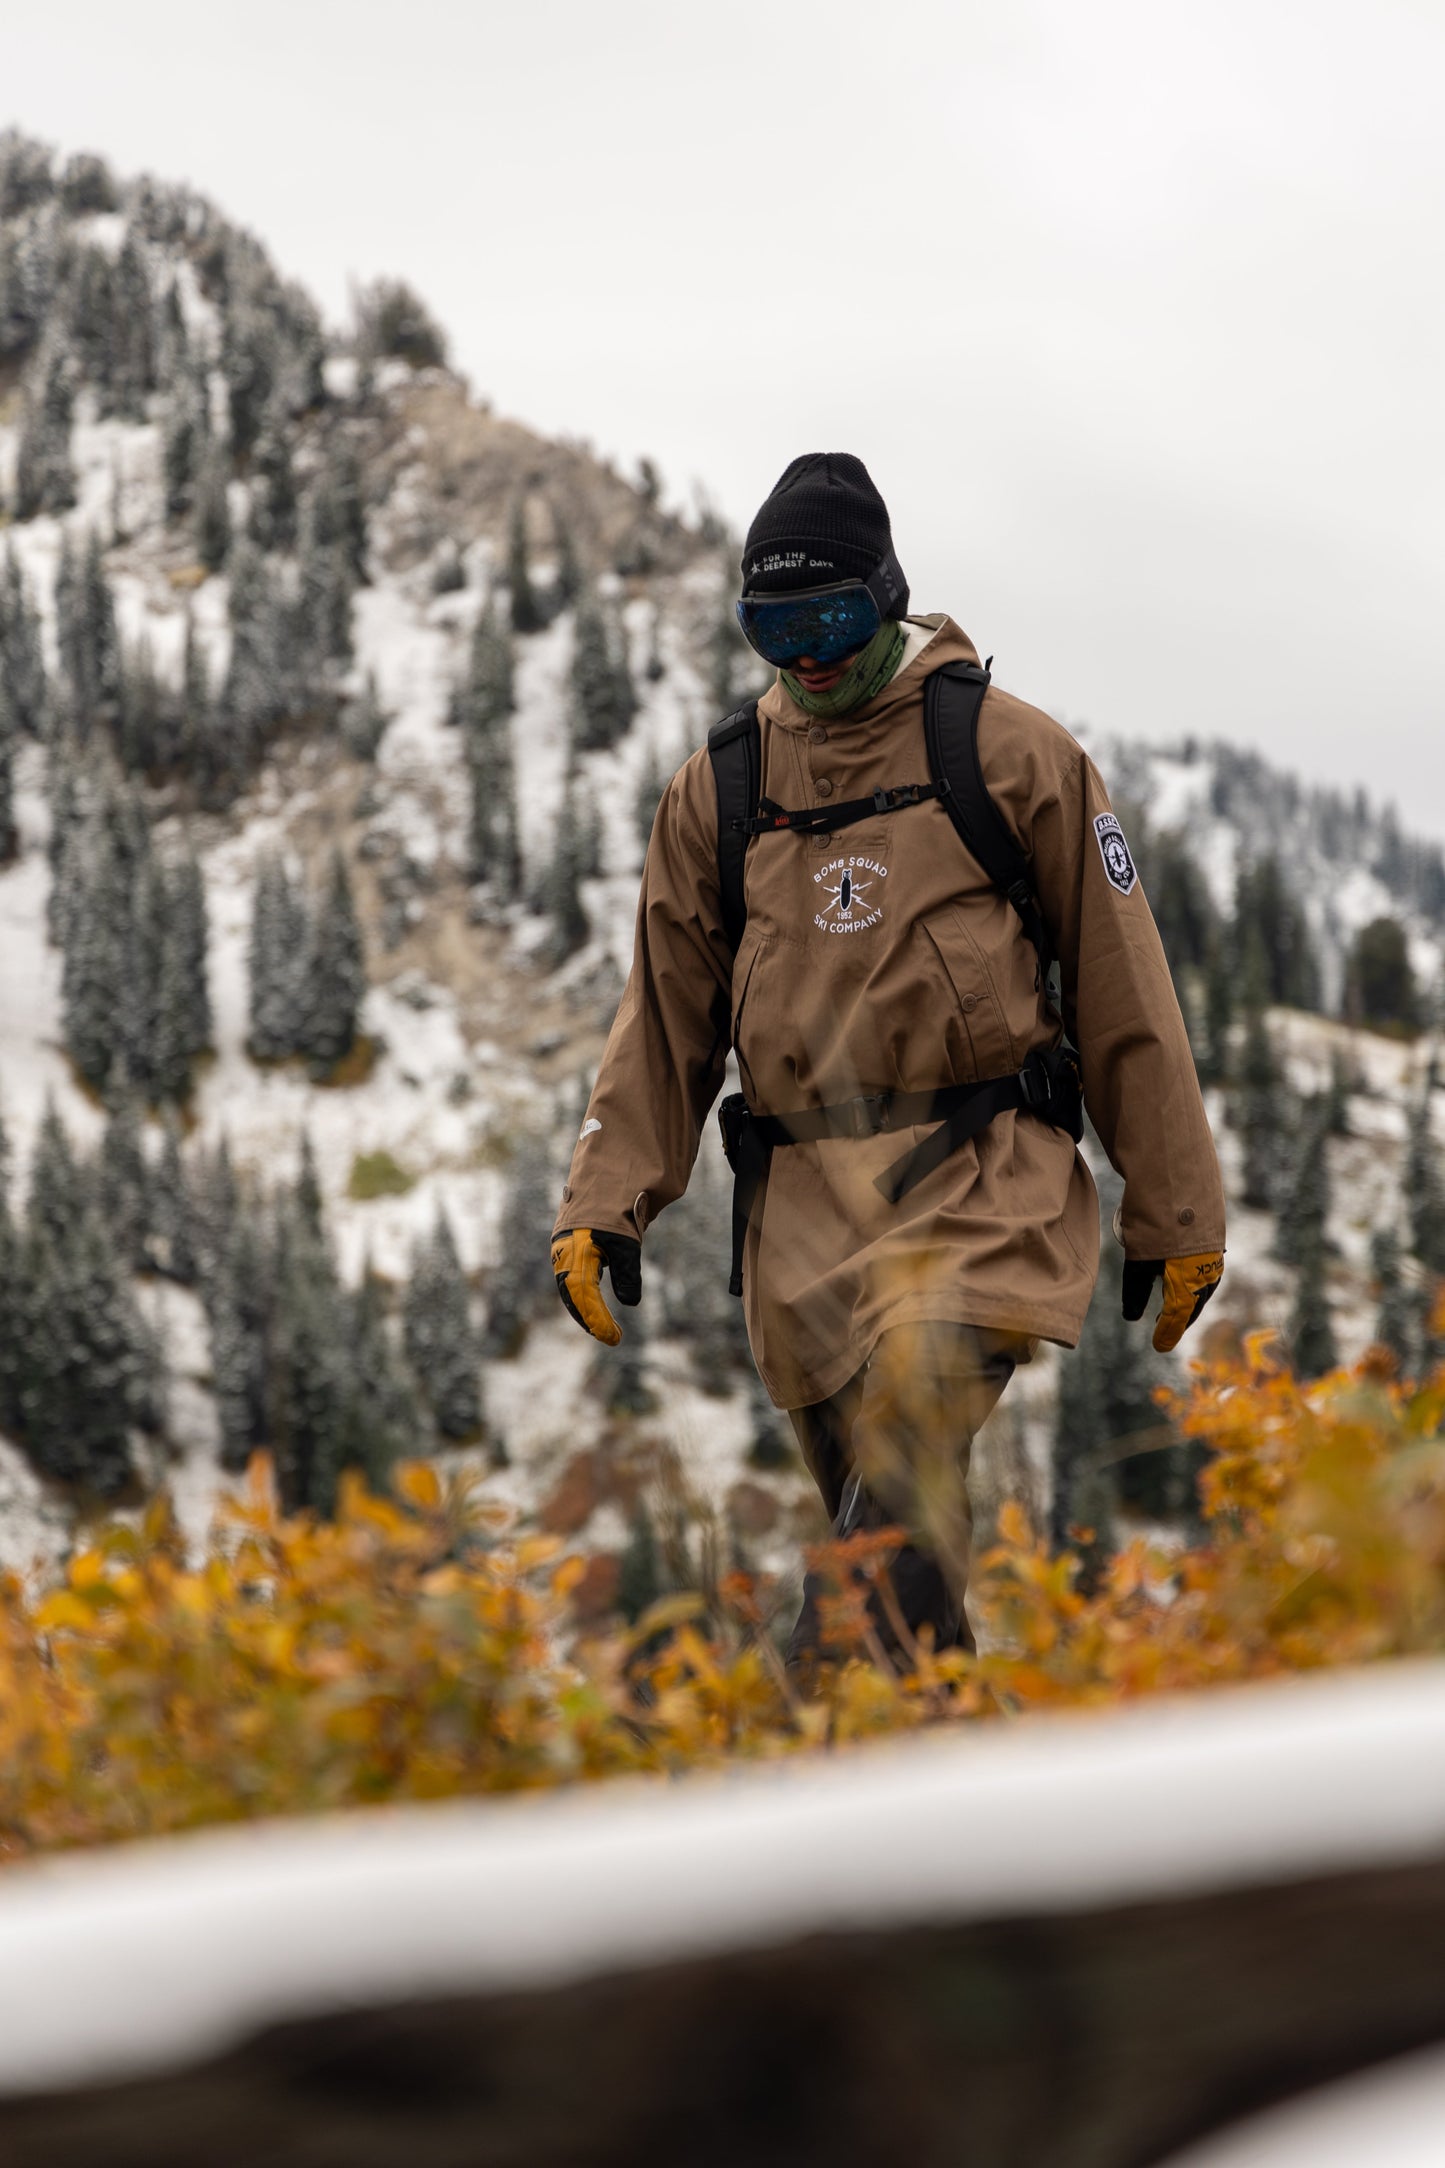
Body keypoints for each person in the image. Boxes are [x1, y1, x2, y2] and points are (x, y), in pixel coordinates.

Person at [551, 452, 1225, 1665]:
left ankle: (813, 1721)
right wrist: (606, 1201)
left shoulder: (1015, 755)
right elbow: (664, 1014)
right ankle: (947, 1792)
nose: (806, 654)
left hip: (981, 1188)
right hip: (803, 1227)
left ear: (888, 593)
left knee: (881, 1536)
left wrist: (1174, 1211)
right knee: (903, 1579)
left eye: (831, 618)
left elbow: (1126, 988)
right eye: (773, 627)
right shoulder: (720, 790)